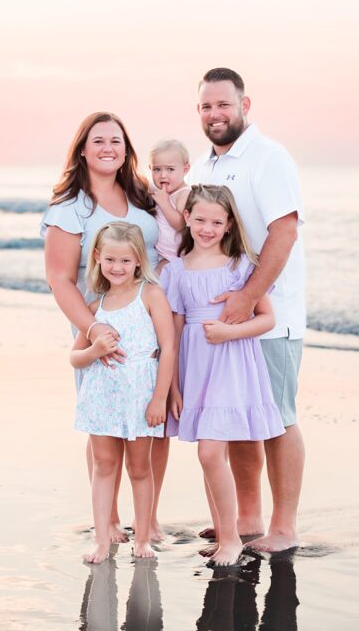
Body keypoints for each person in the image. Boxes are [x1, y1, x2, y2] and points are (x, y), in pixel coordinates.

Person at [190, 68, 307, 553]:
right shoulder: (203, 166)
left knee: (277, 416)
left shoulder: (268, 158)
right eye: (206, 107)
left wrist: (245, 297)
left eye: (223, 105)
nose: (215, 114)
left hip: (270, 315)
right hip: (224, 320)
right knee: (239, 416)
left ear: (245, 105)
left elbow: (284, 234)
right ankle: (247, 517)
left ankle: (284, 527)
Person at [41, 112, 171, 543]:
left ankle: (147, 521)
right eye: (98, 141)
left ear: (126, 149)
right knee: (105, 421)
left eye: (116, 140)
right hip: (100, 322)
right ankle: (109, 520)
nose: (107, 148)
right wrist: (94, 329)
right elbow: (60, 279)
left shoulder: (143, 194)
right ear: (82, 149)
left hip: (151, 319)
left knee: (153, 421)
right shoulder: (70, 208)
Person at [161, 185, 284, 566]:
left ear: (229, 224)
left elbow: (267, 319)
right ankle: (222, 531)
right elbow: (174, 331)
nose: (207, 228)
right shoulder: (177, 271)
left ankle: (231, 539)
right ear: (187, 219)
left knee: (210, 451)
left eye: (217, 221)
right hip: (195, 365)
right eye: (200, 219)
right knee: (209, 456)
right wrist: (173, 386)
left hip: (232, 362)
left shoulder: (241, 266)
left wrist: (229, 331)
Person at [71, 222, 175, 563]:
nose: (117, 268)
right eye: (110, 260)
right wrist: (95, 349)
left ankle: (142, 538)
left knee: (140, 468)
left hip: (140, 394)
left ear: (138, 261)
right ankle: (102, 540)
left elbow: (169, 347)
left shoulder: (150, 294)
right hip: (102, 394)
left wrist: (160, 396)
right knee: (103, 464)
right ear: (98, 258)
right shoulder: (95, 304)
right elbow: (76, 357)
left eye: (126, 262)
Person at [148, 138, 191, 273]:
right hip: (161, 255)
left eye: (170, 169)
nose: (163, 175)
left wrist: (165, 203)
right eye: (157, 169)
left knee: (155, 283)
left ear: (185, 169)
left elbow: (181, 224)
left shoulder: (184, 193)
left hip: (177, 256)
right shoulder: (162, 192)